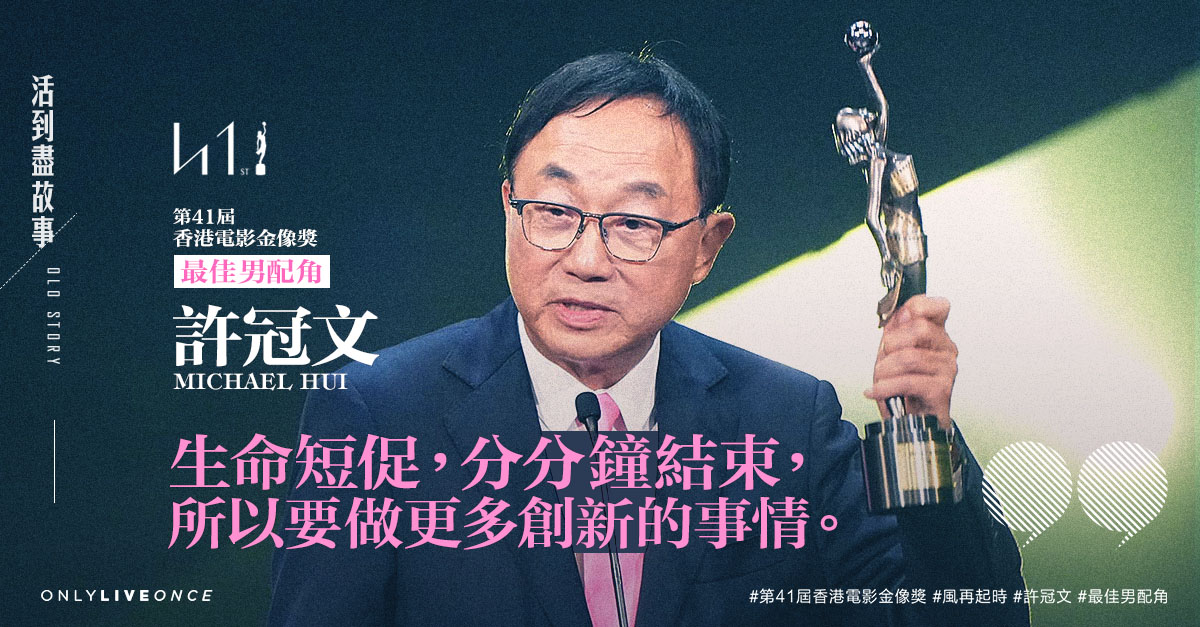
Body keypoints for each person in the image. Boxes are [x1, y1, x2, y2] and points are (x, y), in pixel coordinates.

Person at [268, 52, 1028, 626]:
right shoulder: (376, 412)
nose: (586, 260)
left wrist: (925, 441)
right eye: (554, 212)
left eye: (634, 223)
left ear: (707, 247)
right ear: (508, 209)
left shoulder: (787, 421)